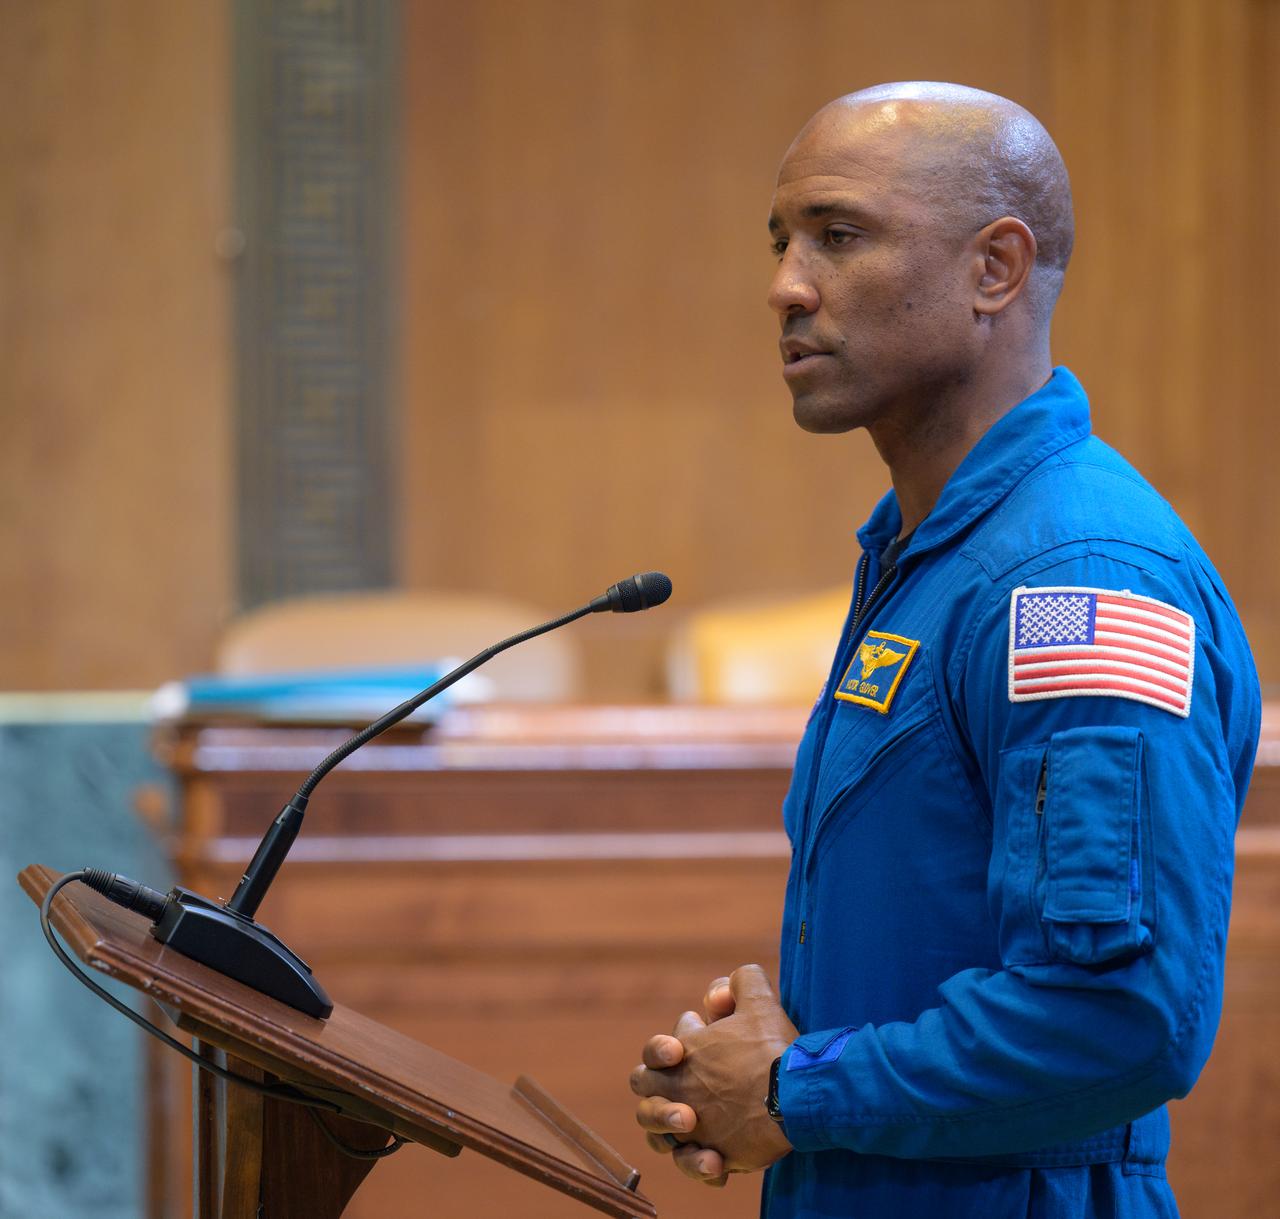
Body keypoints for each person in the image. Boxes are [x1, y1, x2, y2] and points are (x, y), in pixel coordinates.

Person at [629, 81, 1261, 1218]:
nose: (783, 285)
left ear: (994, 270)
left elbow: (1115, 1016)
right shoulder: (933, 555)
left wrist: (791, 1087)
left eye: (837, 235)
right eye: (780, 242)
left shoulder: (1072, 581)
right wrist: (755, 1068)